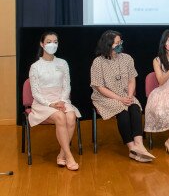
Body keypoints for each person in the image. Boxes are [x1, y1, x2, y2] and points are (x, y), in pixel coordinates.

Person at [90, 30, 154, 162]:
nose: (120, 45)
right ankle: (132, 149)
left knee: (135, 107)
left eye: (120, 42)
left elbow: (132, 79)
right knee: (122, 112)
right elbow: (100, 87)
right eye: (117, 43)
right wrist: (119, 99)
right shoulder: (98, 62)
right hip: (105, 97)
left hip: (125, 94)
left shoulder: (127, 58)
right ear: (108, 45)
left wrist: (129, 96)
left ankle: (139, 145)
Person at [28, 31, 81, 171]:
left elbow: (67, 85)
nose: (53, 44)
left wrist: (63, 101)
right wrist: (50, 104)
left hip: (61, 100)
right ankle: (69, 156)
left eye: (55, 42)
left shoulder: (63, 63)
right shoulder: (35, 66)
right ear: (42, 44)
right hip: (43, 103)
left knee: (70, 116)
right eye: (49, 41)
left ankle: (61, 154)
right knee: (60, 116)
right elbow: (35, 92)